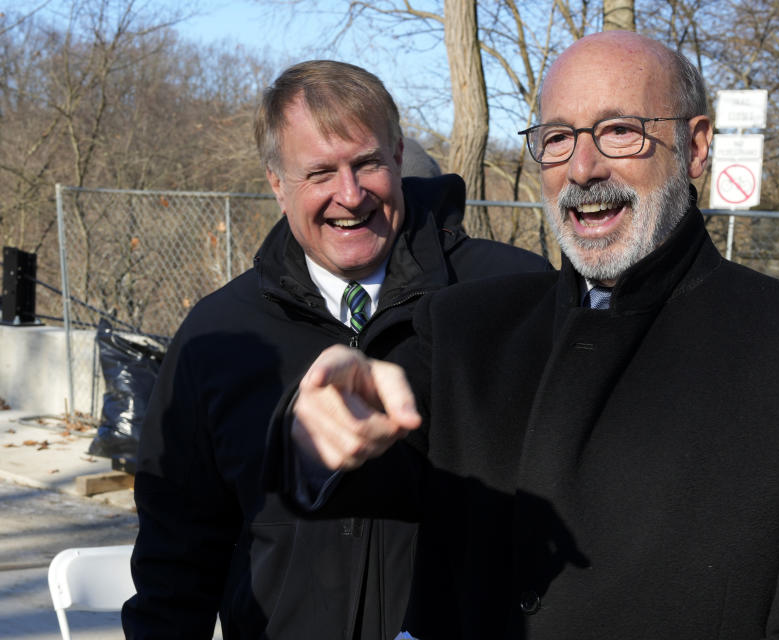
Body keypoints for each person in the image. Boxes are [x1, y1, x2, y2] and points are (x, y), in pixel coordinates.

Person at [270, 32, 779, 639]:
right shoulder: (464, 330)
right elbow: (339, 474)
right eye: (556, 138)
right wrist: (320, 422)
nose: (581, 167)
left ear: (694, 146)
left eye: (618, 131)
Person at [121, 60, 550, 640]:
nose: (350, 195)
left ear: (398, 156)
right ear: (277, 184)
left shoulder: (511, 297)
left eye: (367, 163)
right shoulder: (214, 335)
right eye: (320, 172)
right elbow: (176, 557)